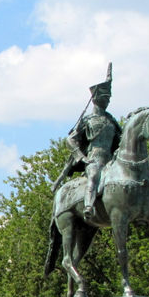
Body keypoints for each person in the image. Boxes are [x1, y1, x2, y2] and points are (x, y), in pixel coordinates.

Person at [51, 63, 121, 219]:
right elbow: (71, 139)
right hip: (94, 158)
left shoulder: (111, 120)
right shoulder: (88, 120)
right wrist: (82, 157)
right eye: (105, 97)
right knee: (94, 175)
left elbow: (121, 139)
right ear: (96, 98)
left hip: (111, 161)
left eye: (109, 98)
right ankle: (89, 206)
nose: (108, 100)